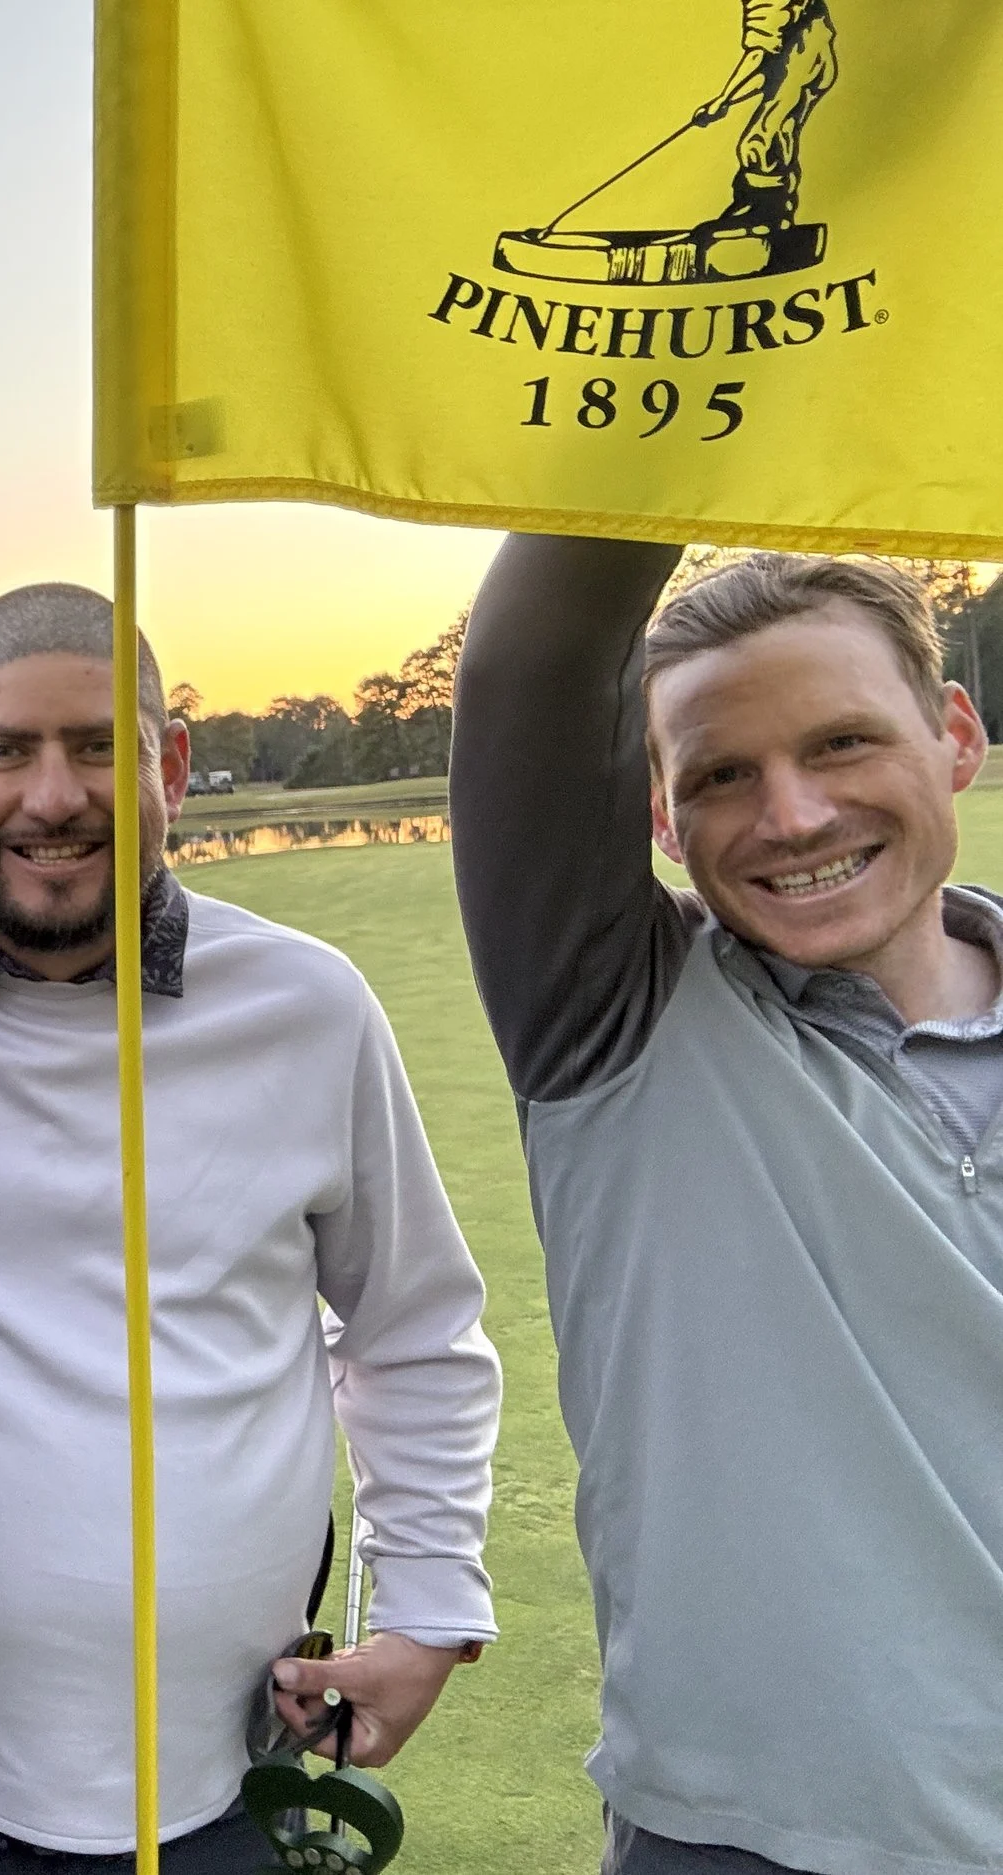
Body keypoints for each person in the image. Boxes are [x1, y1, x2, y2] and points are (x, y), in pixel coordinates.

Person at [0, 585, 502, 1874]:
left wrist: (423, 1616)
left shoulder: (308, 1009)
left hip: (229, 1783)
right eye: (5, 750)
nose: (55, 794)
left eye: (98, 745)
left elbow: (413, 1326)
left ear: (170, 765)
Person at [452, 537, 1003, 1875]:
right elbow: (536, 659)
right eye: (719, 776)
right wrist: (704, 346)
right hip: (749, 1842)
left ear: (955, 737)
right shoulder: (619, 1028)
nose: (795, 815)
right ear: (658, 816)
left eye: (842, 743)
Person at [693, 0, 837, 232]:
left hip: (804, 60)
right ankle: (771, 214)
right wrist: (725, 101)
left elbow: (759, 58)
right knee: (779, 138)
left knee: (758, 144)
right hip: (804, 58)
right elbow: (763, 69)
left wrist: (722, 101)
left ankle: (766, 217)